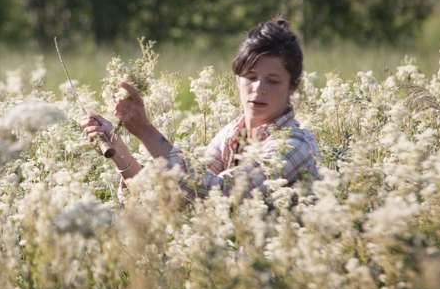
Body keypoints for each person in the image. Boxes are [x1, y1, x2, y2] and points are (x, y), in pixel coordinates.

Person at [82, 17, 319, 199]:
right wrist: (117, 149)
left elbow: (222, 194)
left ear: (292, 87)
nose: (259, 88)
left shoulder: (296, 145)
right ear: (237, 78)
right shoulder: (231, 134)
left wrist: (145, 130)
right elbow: (179, 195)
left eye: (273, 81)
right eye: (251, 76)